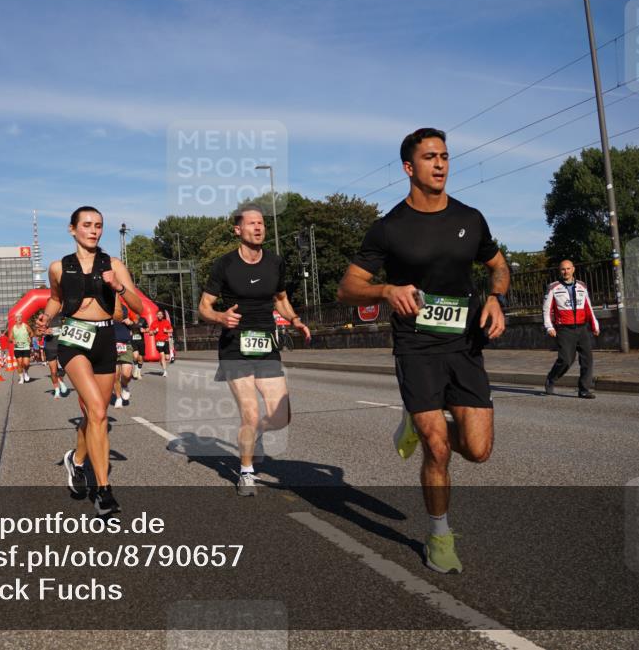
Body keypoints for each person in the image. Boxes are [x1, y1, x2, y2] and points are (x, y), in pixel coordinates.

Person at [336, 127, 509, 574]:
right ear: (409, 168)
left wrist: (496, 298)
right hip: (416, 347)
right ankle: (439, 536)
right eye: (431, 157)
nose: (440, 164)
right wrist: (386, 290)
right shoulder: (389, 228)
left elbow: (498, 266)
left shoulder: (470, 218)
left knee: (478, 449)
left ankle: (414, 424)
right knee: (438, 448)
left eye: (446, 156)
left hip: (465, 344)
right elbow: (348, 288)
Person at [36, 205, 144, 516]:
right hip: (73, 340)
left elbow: (137, 303)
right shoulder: (58, 267)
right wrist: (46, 317)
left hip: (105, 338)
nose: (94, 230)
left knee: (94, 415)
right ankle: (103, 490)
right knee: (97, 411)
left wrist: (118, 287)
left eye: (98, 225)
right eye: (87, 225)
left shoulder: (114, 264)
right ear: (73, 229)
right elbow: (56, 298)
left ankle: (77, 460)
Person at [199, 204, 311, 497]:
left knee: (281, 416)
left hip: (266, 344)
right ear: (238, 230)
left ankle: (253, 436)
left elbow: (281, 299)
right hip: (235, 346)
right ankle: (246, 471)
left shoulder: (275, 262)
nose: (258, 227)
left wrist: (295, 320)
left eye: (261, 223)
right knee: (250, 414)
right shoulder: (224, 265)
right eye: (251, 224)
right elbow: (204, 307)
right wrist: (221, 317)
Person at [543, 260, 599, 399]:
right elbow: (546, 309)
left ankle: (584, 389)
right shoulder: (553, 287)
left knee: (587, 359)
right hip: (564, 329)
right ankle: (552, 378)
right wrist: (549, 326)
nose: (566, 271)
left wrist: (594, 324)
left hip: (582, 327)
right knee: (566, 359)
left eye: (568, 269)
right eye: (563, 269)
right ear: (559, 271)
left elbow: (588, 307)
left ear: (573, 269)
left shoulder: (582, 286)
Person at [42, 315, 68, 399]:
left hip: (62, 346)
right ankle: (57, 390)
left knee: (64, 369)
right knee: (53, 371)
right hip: (50, 347)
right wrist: (44, 331)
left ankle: (61, 381)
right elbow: (37, 332)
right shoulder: (45, 318)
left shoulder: (63, 315)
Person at [112, 318, 135, 408]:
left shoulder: (126, 308)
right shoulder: (105, 309)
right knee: (115, 375)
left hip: (126, 345)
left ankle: (124, 385)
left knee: (126, 374)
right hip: (111, 345)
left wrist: (131, 323)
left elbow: (137, 324)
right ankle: (118, 398)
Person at [149, 309, 173, 377]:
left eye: (161, 314)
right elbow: (150, 333)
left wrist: (167, 331)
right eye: (158, 314)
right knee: (162, 355)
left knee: (167, 358)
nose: (160, 315)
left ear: (163, 315)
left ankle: (161, 361)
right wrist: (154, 331)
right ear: (156, 315)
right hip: (158, 342)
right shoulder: (154, 323)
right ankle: (165, 371)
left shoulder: (166, 322)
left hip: (165, 341)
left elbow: (171, 330)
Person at [11, 314, 33, 383]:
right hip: (17, 348)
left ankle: (26, 372)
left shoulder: (25, 326)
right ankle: (21, 378)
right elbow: (10, 338)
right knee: (19, 363)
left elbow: (31, 333)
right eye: (17, 317)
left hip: (26, 347)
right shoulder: (13, 328)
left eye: (20, 317)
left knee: (26, 363)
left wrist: (30, 337)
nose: (19, 318)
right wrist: (13, 340)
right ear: (15, 320)